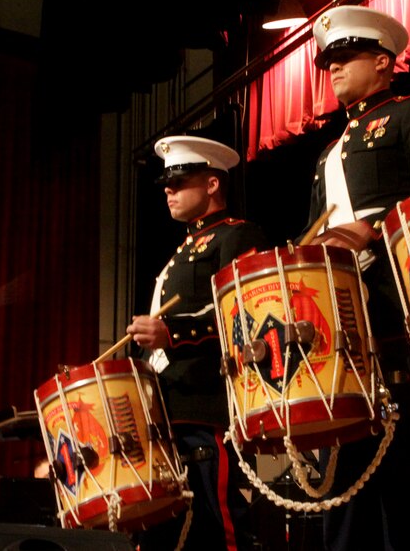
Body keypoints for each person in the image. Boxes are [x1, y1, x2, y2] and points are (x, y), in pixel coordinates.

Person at [306, 5, 410, 550]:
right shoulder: (330, 153)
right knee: (346, 487)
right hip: (348, 329)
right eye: (330, 62)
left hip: (399, 312)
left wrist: (374, 229)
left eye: (346, 58)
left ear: (382, 61)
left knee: (408, 474)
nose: (335, 69)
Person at [125, 135, 270, 550]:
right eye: (168, 184)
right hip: (169, 410)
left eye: (180, 181)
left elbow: (243, 312)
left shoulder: (237, 237)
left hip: (208, 405)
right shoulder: (181, 252)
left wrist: (173, 332)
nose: (168, 190)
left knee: (219, 527)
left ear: (211, 184)